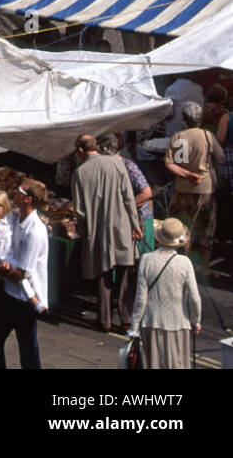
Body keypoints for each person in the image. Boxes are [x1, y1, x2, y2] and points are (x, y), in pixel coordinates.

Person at [71, 134, 142, 332]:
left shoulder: (79, 173)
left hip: (97, 230)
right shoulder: (116, 164)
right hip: (121, 227)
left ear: (80, 150)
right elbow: (128, 197)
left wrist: (84, 233)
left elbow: (80, 211)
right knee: (125, 273)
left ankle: (105, 321)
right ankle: (126, 318)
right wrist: (135, 224)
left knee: (103, 277)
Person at [0, 178, 49, 370]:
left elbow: (22, 273)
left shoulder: (35, 232)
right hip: (9, 294)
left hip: (25, 301)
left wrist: (2, 271)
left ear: (27, 199)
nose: (14, 193)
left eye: (19, 191)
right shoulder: (15, 216)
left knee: (28, 352)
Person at [129, 218, 202, 369]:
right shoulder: (184, 263)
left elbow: (141, 299)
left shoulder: (146, 260)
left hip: (151, 322)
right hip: (179, 324)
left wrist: (134, 327)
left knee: (153, 364)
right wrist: (196, 321)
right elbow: (194, 298)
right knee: (178, 364)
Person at [166, 101, 224, 269]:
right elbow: (221, 159)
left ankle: (183, 264)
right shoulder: (208, 136)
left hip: (184, 188)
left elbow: (177, 163)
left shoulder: (180, 137)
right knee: (207, 228)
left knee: (184, 227)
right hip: (206, 189)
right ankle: (204, 268)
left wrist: (188, 172)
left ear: (185, 119)